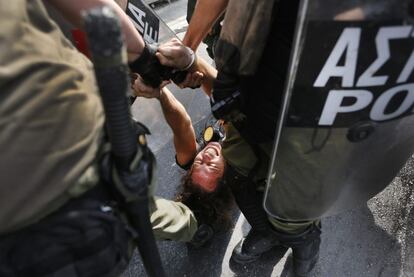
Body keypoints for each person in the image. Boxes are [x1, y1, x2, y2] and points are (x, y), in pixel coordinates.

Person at [0, 1, 204, 276]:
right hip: (84, 161)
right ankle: (194, 227)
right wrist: (148, 61)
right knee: (145, 212)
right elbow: (100, 14)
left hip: (21, 232)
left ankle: (191, 226)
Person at [133, 0, 321, 275]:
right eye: (211, 166)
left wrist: (172, 79)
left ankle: (302, 238)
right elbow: (226, 93)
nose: (206, 156)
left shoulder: (198, 154)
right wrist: (189, 57)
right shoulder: (245, 168)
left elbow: (189, 119)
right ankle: (283, 233)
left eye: (199, 163)